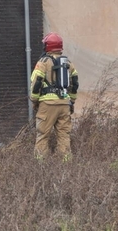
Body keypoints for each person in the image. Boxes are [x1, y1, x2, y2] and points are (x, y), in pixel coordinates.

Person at [30, 32, 79, 160]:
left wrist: (34, 100)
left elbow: (36, 83)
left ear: (46, 46)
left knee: (43, 135)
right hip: (64, 104)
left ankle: (41, 165)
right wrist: (71, 101)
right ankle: (65, 163)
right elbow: (75, 83)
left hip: (47, 105)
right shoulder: (68, 63)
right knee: (64, 135)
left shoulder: (43, 62)